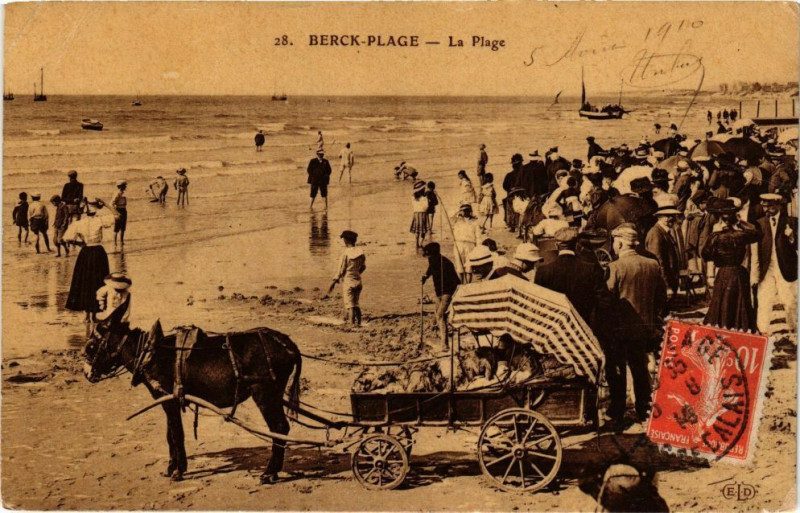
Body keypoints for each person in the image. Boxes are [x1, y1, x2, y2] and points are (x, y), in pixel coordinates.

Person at [605, 224, 667, 428]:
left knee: (617, 370)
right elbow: (661, 298)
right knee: (640, 368)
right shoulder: (652, 264)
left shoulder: (616, 267)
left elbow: (608, 299)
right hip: (645, 328)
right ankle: (644, 409)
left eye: (615, 241)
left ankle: (618, 410)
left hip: (620, 330)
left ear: (620, 242)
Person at [702, 199, 761, 331]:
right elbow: (757, 235)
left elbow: (706, 255)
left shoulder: (716, 236)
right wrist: (741, 223)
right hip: (737, 273)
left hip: (725, 272)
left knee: (724, 303)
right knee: (735, 304)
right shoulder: (741, 234)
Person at [534, 228, 610, 325]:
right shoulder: (591, 269)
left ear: (556, 245)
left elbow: (538, 303)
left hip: (554, 324)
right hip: (583, 324)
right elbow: (604, 300)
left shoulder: (543, 271)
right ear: (576, 245)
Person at [65, 198, 119, 322]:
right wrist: (105, 203)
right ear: (95, 211)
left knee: (84, 282)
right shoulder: (99, 220)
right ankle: (94, 314)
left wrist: (80, 244)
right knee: (97, 281)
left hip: (85, 252)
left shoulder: (78, 223)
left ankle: (86, 315)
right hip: (98, 252)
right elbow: (117, 215)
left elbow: (67, 238)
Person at [752, 193, 798, 335]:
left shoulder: (791, 221)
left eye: (770, 207)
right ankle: (763, 330)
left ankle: (793, 327)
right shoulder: (759, 223)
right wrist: (756, 270)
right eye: (764, 207)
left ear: (778, 205)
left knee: (790, 300)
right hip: (767, 267)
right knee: (764, 299)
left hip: (786, 267)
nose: (766, 210)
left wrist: (791, 237)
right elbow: (755, 249)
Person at [421, 242, 460, 349]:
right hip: (438, 292)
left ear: (433, 254)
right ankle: (437, 332)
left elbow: (456, 281)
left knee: (440, 316)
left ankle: (445, 344)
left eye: (428, 255)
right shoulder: (432, 260)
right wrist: (426, 276)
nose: (427, 257)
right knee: (436, 315)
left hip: (447, 292)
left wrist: (451, 295)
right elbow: (430, 268)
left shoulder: (446, 263)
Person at [327, 230, 366, 326]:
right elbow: (364, 267)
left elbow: (340, 270)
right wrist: (357, 273)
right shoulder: (360, 252)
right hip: (358, 280)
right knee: (356, 304)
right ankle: (359, 323)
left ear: (345, 240)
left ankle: (352, 324)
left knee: (350, 305)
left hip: (348, 281)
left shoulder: (345, 253)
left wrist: (332, 283)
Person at [645, 196, 682, 297]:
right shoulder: (656, 234)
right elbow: (659, 262)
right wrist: (667, 286)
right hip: (663, 283)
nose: (670, 218)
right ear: (659, 217)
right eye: (666, 215)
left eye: (672, 215)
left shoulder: (665, 231)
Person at [452, 204, 483, 282]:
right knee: (459, 267)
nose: (465, 212)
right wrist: (458, 211)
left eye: (467, 210)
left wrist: (478, 248)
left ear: (470, 211)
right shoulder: (456, 220)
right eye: (463, 210)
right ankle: (461, 285)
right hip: (458, 244)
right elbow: (451, 216)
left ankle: (468, 285)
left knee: (469, 267)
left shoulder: (475, 222)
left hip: (470, 245)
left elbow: (478, 236)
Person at [502, 154, 524, 231]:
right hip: (522, 195)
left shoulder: (509, 175)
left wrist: (510, 190)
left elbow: (505, 186)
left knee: (511, 209)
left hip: (511, 195)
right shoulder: (524, 174)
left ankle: (512, 226)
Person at [410, 181, 429, 248]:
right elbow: (426, 207)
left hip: (415, 214)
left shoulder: (413, 197)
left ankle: (416, 243)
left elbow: (413, 205)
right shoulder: (424, 198)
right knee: (423, 230)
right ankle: (420, 244)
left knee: (417, 230)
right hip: (422, 214)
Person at [111, 180, 128, 246]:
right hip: (119, 210)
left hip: (123, 209)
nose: (125, 187)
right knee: (117, 228)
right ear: (121, 186)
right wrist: (116, 212)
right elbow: (112, 203)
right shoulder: (117, 193)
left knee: (123, 228)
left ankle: (121, 241)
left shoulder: (122, 193)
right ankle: (115, 243)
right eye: (124, 186)